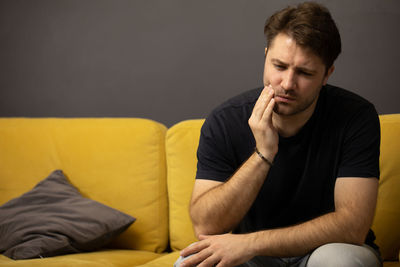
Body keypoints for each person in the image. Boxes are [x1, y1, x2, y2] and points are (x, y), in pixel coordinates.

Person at [175, 2, 382, 267]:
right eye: (279, 66)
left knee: (340, 262)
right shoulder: (224, 120)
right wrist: (263, 153)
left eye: (304, 73)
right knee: (187, 264)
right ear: (265, 57)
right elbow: (206, 224)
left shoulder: (356, 117)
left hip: (326, 250)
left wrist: (251, 242)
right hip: (252, 259)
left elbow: (353, 226)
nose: (287, 84)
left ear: (327, 74)